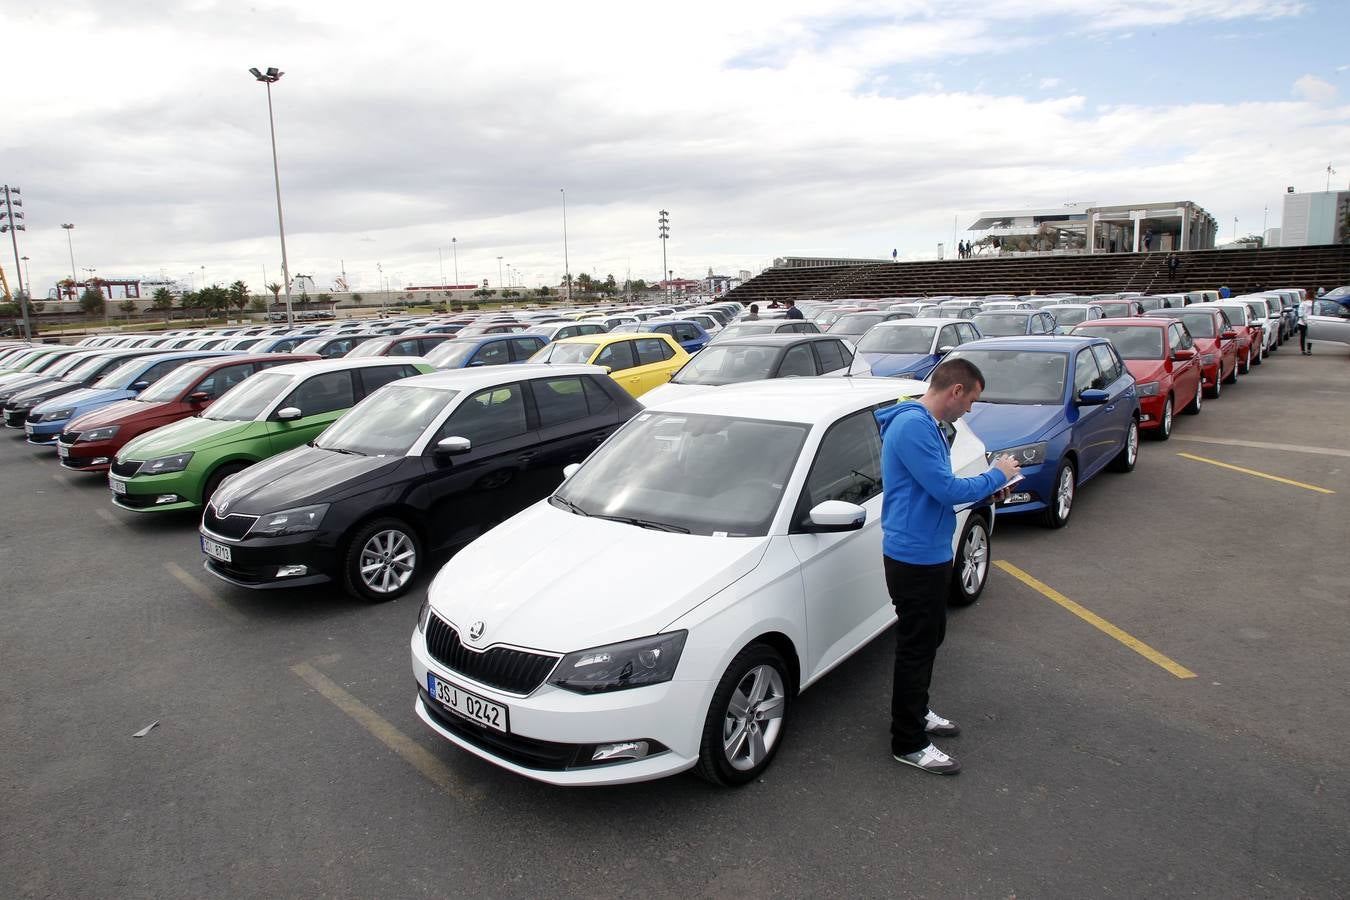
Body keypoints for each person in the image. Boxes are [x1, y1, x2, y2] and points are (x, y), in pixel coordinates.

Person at [875, 359, 1021, 775]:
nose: (970, 410)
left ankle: (917, 713)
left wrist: (984, 496)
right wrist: (997, 475)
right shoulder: (914, 427)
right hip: (914, 556)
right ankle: (908, 742)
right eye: (971, 400)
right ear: (955, 390)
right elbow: (944, 487)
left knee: (930, 637)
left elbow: (937, 492)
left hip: (931, 551)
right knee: (916, 648)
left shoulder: (928, 426)